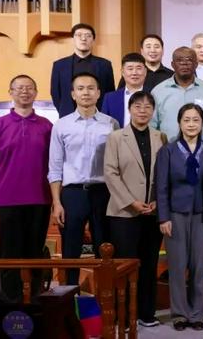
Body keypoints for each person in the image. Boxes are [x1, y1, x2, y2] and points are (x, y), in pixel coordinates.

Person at [0, 74, 53, 302]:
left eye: (29, 88)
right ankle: (11, 302)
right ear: (10, 92)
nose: (24, 91)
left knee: (35, 253)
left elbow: (55, 166)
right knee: (9, 255)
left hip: (40, 200)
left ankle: (35, 299)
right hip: (7, 200)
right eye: (19, 88)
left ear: (36, 93)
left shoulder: (47, 126)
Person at [48, 73, 120, 285]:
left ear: (98, 93)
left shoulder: (111, 124)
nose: (86, 92)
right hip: (73, 193)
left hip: (103, 191)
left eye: (90, 88)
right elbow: (54, 167)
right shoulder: (61, 125)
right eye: (80, 88)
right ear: (73, 94)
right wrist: (57, 202)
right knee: (71, 250)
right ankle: (69, 301)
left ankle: (104, 301)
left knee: (104, 249)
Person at [103, 91, 167, 327]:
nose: (143, 110)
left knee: (149, 264)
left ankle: (146, 313)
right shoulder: (116, 137)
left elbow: (164, 174)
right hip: (124, 212)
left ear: (153, 111)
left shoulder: (161, 137)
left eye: (148, 106)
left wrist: (159, 202)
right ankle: (123, 314)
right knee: (125, 265)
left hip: (152, 211)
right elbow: (110, 173)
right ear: (129, 109)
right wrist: (131, 202)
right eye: (138, 106)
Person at [155, 103, 203, 331]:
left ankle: (197, 314)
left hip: (201, 214)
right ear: (179, 123)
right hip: (175, 215)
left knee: (199, 266)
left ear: (202, 123)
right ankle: (179, 314)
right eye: (186, 120)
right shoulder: (167, 150)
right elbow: (161, 186)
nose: (191, 124)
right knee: (177, 267)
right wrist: (163, 217)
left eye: (195, 120)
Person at [151, 47, 203, 141]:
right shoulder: (158, 91)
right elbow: (152, 126)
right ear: (172, 65)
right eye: (179, 60)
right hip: (167, 151)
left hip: (202, 151)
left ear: (196, 64)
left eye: (189, 60)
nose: (184, 64)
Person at [50, 23, 115, 116]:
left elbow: (109, 93)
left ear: (93, 40)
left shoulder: (105, 65)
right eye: (79, 35)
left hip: (99, 117)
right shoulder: (59, 65)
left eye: (88, 36)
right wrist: (65, 112)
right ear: (73, 39)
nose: (83, 39)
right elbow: (55, 94)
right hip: (68, 117)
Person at [102, 53, 147, 127]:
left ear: (145, 71)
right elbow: (104, 125)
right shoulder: (110, 98)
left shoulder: (153, 95)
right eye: (130, 68)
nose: (134, 73)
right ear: (122, 72)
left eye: (138, 68)